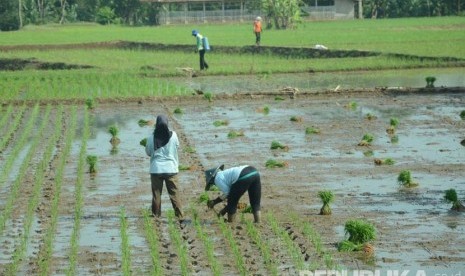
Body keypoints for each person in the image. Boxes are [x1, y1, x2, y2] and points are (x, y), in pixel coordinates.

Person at [145, 115, 184, 220]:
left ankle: (156, 216)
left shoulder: (151, 138)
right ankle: (180, 217)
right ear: (167, 124)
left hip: (156, 169)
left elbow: (148, 152)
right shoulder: (174, 135)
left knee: (156, 195)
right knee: (174, 194)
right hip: (171, 169)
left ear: (156, 124)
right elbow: (177, 147)